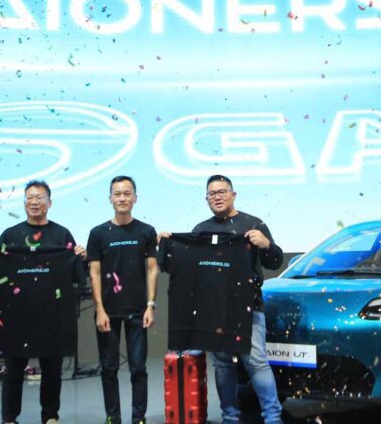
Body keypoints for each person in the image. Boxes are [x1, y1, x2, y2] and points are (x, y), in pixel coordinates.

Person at [165, 175, 285, 424]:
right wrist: (169, 246)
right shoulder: (200, 230)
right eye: (212, 193)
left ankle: (273, 418)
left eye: (222, 192)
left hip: (248, 307)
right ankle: (230, 417)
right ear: (206, 198)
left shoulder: (254, 224)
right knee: (222, 365)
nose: (217, 197)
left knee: (256, 362)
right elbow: (189, 269)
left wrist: (266, 244)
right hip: (214, 310)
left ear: (233, 194)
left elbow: (275, 262)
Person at [0, 180, 87, 424]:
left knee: (52, 371)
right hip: (16, 317)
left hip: (52, 316)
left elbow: (75, 273)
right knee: (13, 372)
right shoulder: (10, 235)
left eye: (39, 197)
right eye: (29, 197)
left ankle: (50, 416)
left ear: (49, 203)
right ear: (24, 202)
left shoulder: (62, 235)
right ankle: (9, 418)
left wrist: (81, 256)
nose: (34, 201)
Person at [88, 176, 159, 424]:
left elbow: (153, 269)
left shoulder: (146, 231)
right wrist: (99, 309)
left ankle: (139, 417)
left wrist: (150, 305)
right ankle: (113, 416)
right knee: (109, 368)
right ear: (110, 198)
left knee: (138, 368)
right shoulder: (98, 234)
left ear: (135, 198)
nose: (122, 198)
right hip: (107, 311)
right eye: (117, 194)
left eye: (127, 193)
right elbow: (94, 273)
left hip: (138, 310)